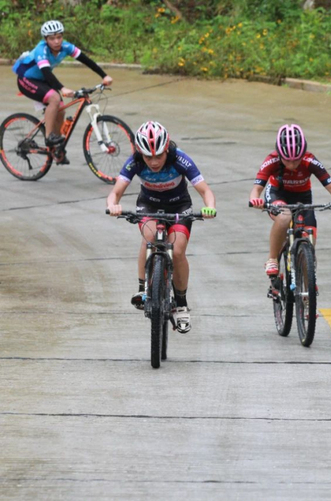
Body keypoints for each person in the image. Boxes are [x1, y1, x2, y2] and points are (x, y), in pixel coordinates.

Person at [106, 121, 216, 334]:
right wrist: (112, 205)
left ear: (167, 149)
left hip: (179, 206)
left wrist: (210, 207)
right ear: (140, 153)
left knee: (177, 251)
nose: (154, 162)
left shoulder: (180, 158)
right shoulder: (135, 161)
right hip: (149, 205)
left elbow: (205, 191)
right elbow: (116, 192)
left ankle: (181, 304)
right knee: (148, 236)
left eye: (159, 156)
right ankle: (143, 290)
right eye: (148, 157)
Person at [249, 124, 331, 276]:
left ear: (303, 154)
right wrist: (255, 200)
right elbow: (256, 189)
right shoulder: (272, 160)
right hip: (278, 194)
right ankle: (272, 259)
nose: (292, 165)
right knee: (284, 218)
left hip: (302, 196)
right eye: (287, 161)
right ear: (280, 154)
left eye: (296, 161)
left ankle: (307, 278)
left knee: (310, 235)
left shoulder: (309, 160)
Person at [12, 20, 113, 163]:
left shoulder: (66, 47)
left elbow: (86, 60)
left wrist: (104, 75)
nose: (56, 41)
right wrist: (62, 88)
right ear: (46, 39)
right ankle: (49, 138)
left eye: (59, 37)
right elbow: (46, 72)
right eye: (52, 38)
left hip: (42, 79)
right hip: (26, 79)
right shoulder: (41, 50)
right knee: (54, 98)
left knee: (61, 111)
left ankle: (56, 149)